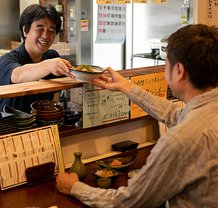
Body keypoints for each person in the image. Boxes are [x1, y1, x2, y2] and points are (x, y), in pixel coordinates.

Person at [56, 24, 218, 207]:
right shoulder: (207, 111)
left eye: (166, 64)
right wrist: (126, 87)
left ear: (179, 71)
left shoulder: (180, 141)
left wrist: (75, 188)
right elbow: (175, 114)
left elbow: (129, 202)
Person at [0, 4, 73, 114]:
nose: (45, 36)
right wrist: (48, 66)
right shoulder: (7, 60)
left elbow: (54, 98)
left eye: (51, 30)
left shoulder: (52, 56)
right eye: (40, 29)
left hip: (40, 126)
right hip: (7, 127)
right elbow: (18, 75)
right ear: (25, 30)